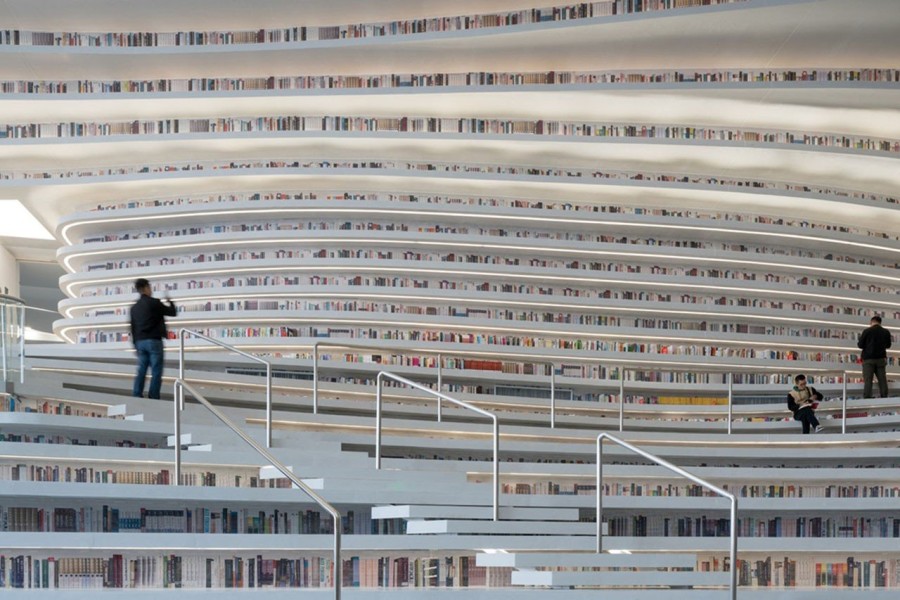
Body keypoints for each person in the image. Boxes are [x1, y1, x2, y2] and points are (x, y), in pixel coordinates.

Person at [130, 278, 176, 399]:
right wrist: (169, 300)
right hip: (154, 341)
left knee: (141, 370)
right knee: (156, 371)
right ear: (145, 288)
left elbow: (133, 328)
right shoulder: (155, 303)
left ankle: (136, 394)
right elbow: (172, 312)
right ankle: (153, 396)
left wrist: (135, 345)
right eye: (149, 287)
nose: (151, 290)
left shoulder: (134, 308)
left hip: (140, 342)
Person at [857, 315, 892, 398]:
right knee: (882, 379)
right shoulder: (886, 332)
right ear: (880, 322)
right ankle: (884, 396)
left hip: (868, 359)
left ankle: (867, 397)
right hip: (880, 359)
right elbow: (888, 345)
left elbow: (860, 345)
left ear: (871, 322)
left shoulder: (867, 331)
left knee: (868, 379)